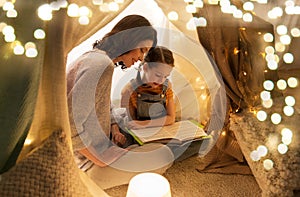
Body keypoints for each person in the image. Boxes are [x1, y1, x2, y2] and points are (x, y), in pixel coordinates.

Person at [67, 15, 174, 189]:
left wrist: (114, 128)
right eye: (141, 50)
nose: (141, 58)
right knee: (165, 155)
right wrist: (100, 159)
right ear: (128, 40)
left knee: (136, 136)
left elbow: (103, 104)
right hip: (85, 163)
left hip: (102, 145)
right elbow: (71, 127)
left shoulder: (95, 58)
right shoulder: (101, 66)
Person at [120, 46, 176, 132]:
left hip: (164, 132)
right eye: (158, 75)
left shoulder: (167, 86)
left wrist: (145, 124)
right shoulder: (129, 91)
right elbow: (132, 123)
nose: (161, 80)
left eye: (166, 76)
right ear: (145, 68)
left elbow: (171, 118)